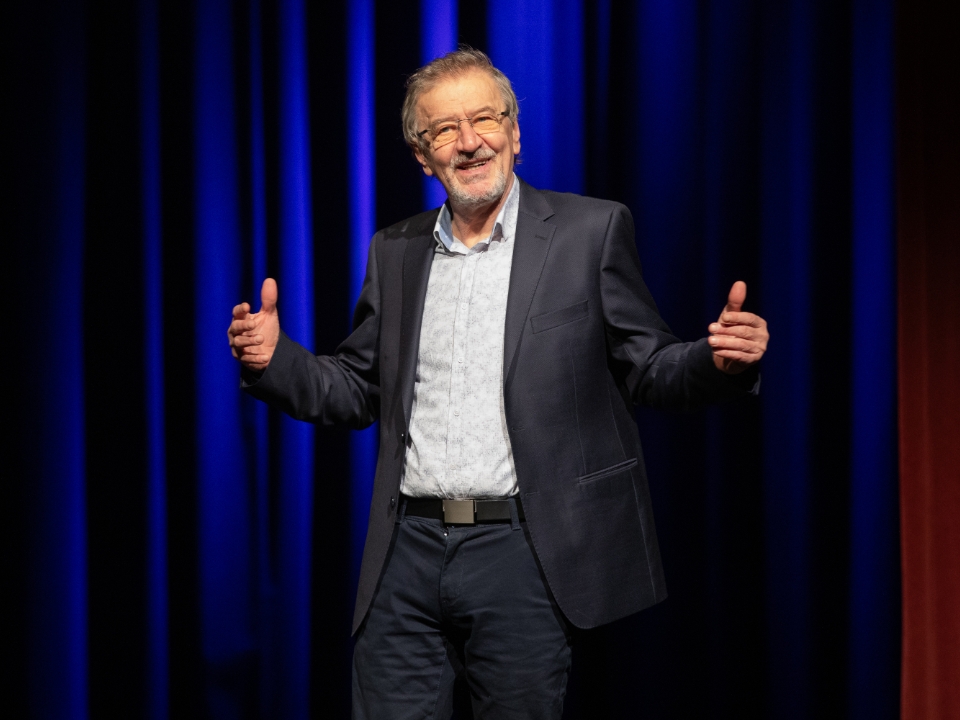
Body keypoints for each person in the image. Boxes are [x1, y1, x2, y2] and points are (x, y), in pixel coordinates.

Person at [228, 48, 768, 720]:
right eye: (444, 130)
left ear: (514, 132)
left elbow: (649, 367)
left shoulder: (589, 232)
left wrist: (718, 362)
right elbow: (357, 389)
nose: (469, 141)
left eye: (485, 119)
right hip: (406, 553)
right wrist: (274, 360)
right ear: (421, 155)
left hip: (524, 551)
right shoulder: (394, 249)